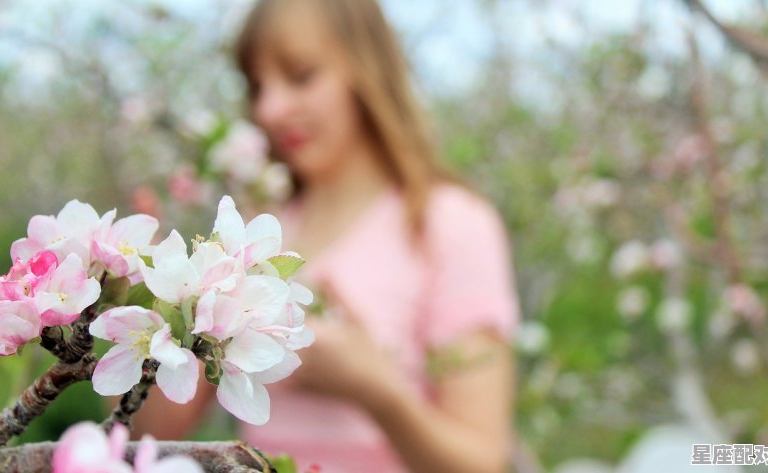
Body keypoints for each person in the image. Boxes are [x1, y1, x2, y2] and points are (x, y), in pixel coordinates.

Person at [131, 1, 520, 472]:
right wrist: (161, 307)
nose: (269, 109)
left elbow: (484, 463)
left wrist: (376, 389)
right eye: (256, 87)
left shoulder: (449, 222)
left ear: (366, 69)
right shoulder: (261, 232)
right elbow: (150, 434)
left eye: (300, 75)